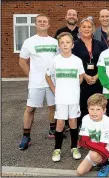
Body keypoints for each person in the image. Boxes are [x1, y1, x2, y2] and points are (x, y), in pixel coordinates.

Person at [18, 14, 58, 150]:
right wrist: (31, 76)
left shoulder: (54, 42)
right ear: (35, 24)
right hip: (36, 83)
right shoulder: (29, 41)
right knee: (30, 109)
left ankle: (52, 130)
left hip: (52, 82)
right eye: (39, 21)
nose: (42, 23)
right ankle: (26, 136)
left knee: (52, 107)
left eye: (44, 21)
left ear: (48, 24)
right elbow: (22, 61)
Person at [45, 32, 84, 162]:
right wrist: (54, 89)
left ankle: (74, 147)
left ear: (72, 45)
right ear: (59, 45)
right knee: (60, 123)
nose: (65, 44)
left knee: (73, 121)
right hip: (60, 97)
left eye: (67, 42)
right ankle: (57, 149)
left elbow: (81, 76)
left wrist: (73, 85)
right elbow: (47, 76)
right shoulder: (55, 60)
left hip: (73, 96)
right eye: (62, 42)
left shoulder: (77, 61)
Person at [72, 17, 107, 128]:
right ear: (80, 29)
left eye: (89, 27)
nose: (86, 29)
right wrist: (84, 75)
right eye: (84, 27)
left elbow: (105, 63)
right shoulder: (74, 45)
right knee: (82, 105)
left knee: (97, 105)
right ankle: (83, 132)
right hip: (81, 80)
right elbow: (72, 63)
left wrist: (97, 76)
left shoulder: (100, 45)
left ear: (93, 29)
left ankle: (98, 129)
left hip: (98, 79)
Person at [76, 94, 109, 177]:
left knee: (94, 154)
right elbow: (84, 141)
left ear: (104, 110)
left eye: (98, 109)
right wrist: (87, 143)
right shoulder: (85, 118)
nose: (94, 112)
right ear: (88, 109)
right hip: (95, 148)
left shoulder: (107, 121)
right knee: (79, 172)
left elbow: (102, 144)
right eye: (91, 109)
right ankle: (97, 161)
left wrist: (105, 153)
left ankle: (106, 163)